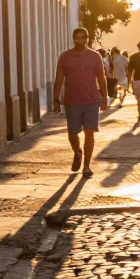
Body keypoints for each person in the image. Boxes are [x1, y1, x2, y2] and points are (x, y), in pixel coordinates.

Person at [52, 27, 109, 177]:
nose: (80, 40)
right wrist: (56, 98)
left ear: (87, 39)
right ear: (73, 39)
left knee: (89, 133)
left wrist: (104, 98)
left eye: (83, 38)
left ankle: (87, 166)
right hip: (72, 101)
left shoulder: (95, 56)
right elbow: (59, 79)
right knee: (72, 134)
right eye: (77, 38)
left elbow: (101, 78)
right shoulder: (65, 57)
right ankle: (77, 151)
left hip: (91, 100)